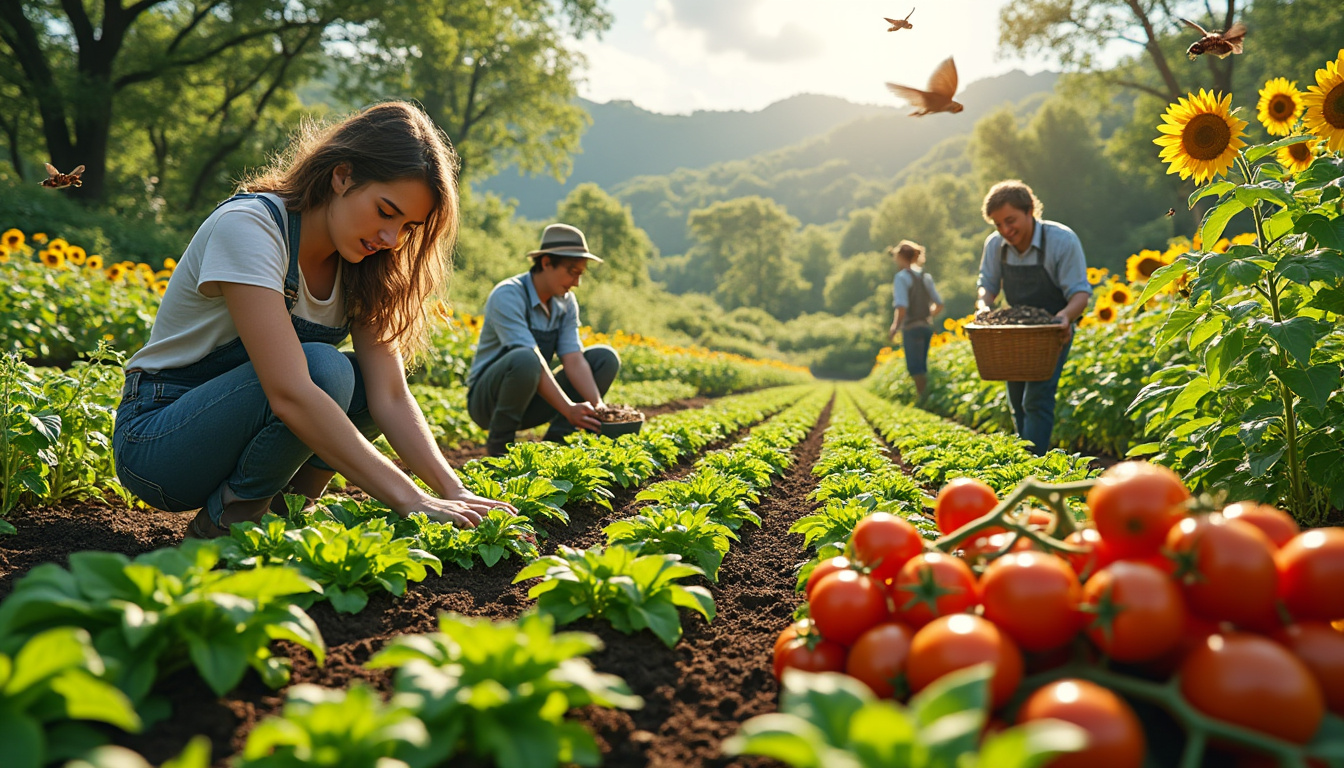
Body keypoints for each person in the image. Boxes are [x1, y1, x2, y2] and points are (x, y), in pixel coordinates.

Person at [112, 102, 514, 539]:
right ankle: (229, 523)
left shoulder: (366, 265)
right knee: (325, 370)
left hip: (236, 433)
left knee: (363, 382)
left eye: (408, 227)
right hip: (160, 442)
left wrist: (455, 492)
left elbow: (391, 397)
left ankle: (286, 520)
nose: (391, 239)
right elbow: (290, 393)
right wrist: (411, 500)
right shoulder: (251, 226)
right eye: (385, 211)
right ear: (342, 176)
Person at [466, 224, 620, 457]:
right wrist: (568, 408)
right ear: (547, 262)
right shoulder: (508, 295)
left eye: (580, 274)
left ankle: (557, 445)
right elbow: (530, 360)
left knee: (604, 359)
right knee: (526, 358)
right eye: (572, 272)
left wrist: (598, 405)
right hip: (488, 403)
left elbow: (574, 360)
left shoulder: (566, 302)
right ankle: (498, 451)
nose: (576, 283)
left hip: (532, 400)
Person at [975, 180, 1091, 456]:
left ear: (1030, 211)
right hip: (1014, 334)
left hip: (1052, 332)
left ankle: (1033, 465)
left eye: (1011, 220)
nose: (1005, 230)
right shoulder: (995, 245)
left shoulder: (1062, 240)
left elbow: (1080, 293)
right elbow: (987, 285)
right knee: (1016, 401)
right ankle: (1024, 460)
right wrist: (982, 306)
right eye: (998, 224)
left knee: (1036, 399)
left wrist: (1064, 318)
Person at [887, 240, 944, 399]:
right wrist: (926, 315)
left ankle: (923, 399)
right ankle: (927, 397)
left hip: (911, 328)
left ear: (900, 257)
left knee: (914, 367)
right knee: (922, 365)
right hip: (926, 327)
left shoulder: (901, 277)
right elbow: (939, 304)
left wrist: (894, 327)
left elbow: (902, 307)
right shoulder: (925, 276)